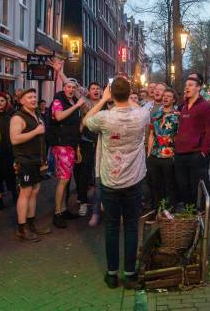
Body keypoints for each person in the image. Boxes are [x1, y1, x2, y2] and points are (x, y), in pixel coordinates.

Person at [83, 78, 149, 289]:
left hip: (110, 180)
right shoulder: (142, 115)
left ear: (111, 93)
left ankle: (112, 274)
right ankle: (130, 274)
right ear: (130, 94)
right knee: (131, 226)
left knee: (111, 226)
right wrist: (129, 98)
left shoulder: (103, 118)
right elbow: (140, 107)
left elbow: (86, 121)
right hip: (134, 179)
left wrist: (103, 100)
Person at [10, 88, 52, 242]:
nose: (34, 99)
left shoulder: (37, 114)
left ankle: (31, 224)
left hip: (38, 160)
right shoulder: (17, 118)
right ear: (21, 101)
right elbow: (14, 139)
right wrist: (36, 131)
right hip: (25, 161)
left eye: (35, 96)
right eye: (29, 97)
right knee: (25, 192)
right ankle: (22, 229)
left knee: (35, 191)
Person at [47, 79, 84, 228]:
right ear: (64, 87)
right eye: (68, 86)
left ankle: (63, 209)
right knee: (63, 179)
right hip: (61, 145)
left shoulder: (74, 100)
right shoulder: (58, 100)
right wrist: (76, 106)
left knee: (67, 180)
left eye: (74, 87)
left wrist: (77, 148)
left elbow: (75, 126)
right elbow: (59, 116)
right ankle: (57, 213)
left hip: (71, 144)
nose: (71, 89)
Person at [174, 77, 210, 205]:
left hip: (196, 154)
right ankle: (190, 214)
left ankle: (203, 215)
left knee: (197, 187)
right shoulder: (183, 108)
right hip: (180, 153)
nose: (186, 87)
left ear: (198, 87)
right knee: (183, 187)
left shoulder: (207, 107)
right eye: (186, 85)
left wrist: (204, 152)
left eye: (190, 85)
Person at [147, 88, 179, 208]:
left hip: (169, 156)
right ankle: (157, 210)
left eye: (169, 96)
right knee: (156, 185)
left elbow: (178, 136)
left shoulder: (177, 116)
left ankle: (170, 210)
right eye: (164, 96)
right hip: (155, 155)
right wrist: (149, 155)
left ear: (174, 100)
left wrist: (176, 155)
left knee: (170, 185)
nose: (165, 98)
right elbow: (151, 135)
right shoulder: (156, 115)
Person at [75, 82, 101, 218]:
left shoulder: (107, 105)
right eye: (93, 89)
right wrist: (59, 72)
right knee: (85, 173)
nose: (96, 90)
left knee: (100, 174)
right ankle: (83, 202)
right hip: (87, 142)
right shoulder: (85, 103)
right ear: (89, 92)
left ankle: (100, 203)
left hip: (102, 144)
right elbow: (73, 89)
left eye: (98, 88)